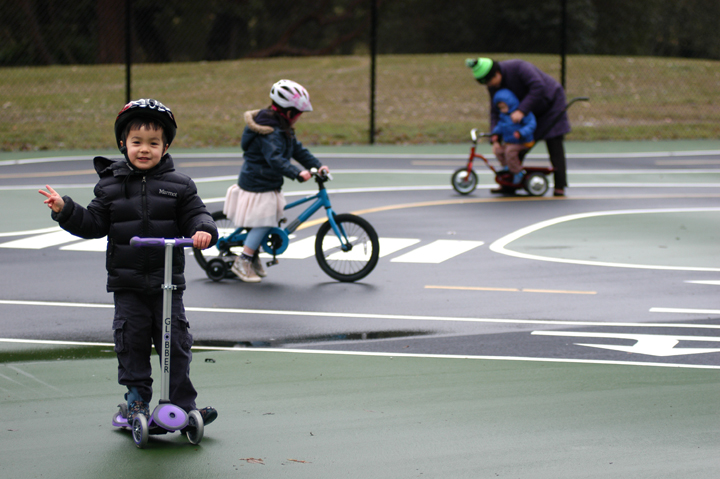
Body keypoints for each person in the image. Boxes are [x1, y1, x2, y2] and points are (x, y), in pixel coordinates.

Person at [38, 98, 219, 427]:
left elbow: (197, 215)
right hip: (128, 285)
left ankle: (181, 404)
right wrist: (65, 209)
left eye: (154, 143)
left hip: (168, 286)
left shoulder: (180, 186)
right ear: (123, 144)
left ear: (166, 147)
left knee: (175, 344)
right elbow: (94, 224)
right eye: (137, 142)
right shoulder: (110, 186)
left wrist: (203, 230)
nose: (145, 149)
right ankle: (135, 403)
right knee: (132, 343)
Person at [223, 79, 329, 283]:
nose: (299, 118)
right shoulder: (269, 131)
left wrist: (317, 164)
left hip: (268, 183)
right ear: (288, 112)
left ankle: (252, 257)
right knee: (265, 222)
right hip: (257, 184)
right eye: (298, 114)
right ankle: (243, 260)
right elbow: (275, 159)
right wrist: (297, 173)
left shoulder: (281, 127)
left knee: (270, 220)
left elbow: (297, 149)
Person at [466, 57, 570, 196]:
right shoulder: (494, 86)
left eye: (490, 81)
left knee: (554, 142)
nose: (490, 86)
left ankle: (560, 185)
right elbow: (495, 111)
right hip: (526, 112)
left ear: (497, 73)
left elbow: (538, 86)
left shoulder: (519, 67)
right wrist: (495, 138)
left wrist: (522, 110)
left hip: (550, 104)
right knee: (514, 146)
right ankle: (511, 183)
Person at [490, 88, 537, 186]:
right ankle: (507, 166)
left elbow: (531, 124)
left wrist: (521, 133)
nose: (503, 110)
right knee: (499, 151)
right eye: (500, 108)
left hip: (523, 141)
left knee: (510, 151)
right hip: (510, 142)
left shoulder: (520, 113)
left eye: (504, 107)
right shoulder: (504, 116)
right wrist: (495, 134)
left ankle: (517, 171)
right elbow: (500, 126)